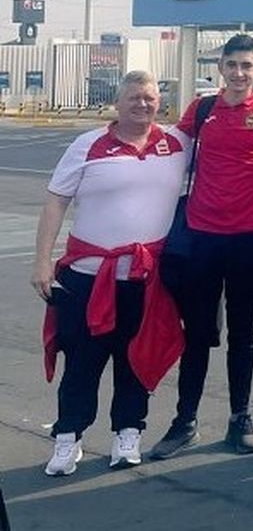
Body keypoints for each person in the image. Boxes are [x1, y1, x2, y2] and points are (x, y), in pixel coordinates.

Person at [149, 34, 253, 460]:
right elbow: (171, 152)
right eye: (231, 65)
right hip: (201, 238)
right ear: (221, 68)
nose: (239, 73)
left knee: (243, 335)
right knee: (196, 334)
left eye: (247, 66)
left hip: (251, 239)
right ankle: (185, 421)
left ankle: (241, 417)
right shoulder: (203, 109)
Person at [32, 71, 187, 476]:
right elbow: (55, 201)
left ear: (160, 102)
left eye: (149, 98)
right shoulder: (88, 145)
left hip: (146, 280)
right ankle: (68, 438)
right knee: (82, 361)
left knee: (135, 360)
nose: (142, 104)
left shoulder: (176, 144)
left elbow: (226, 161)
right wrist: (42, 260)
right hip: (87, 277)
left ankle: (128, 433)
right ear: (118, 104)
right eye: (134, 97)